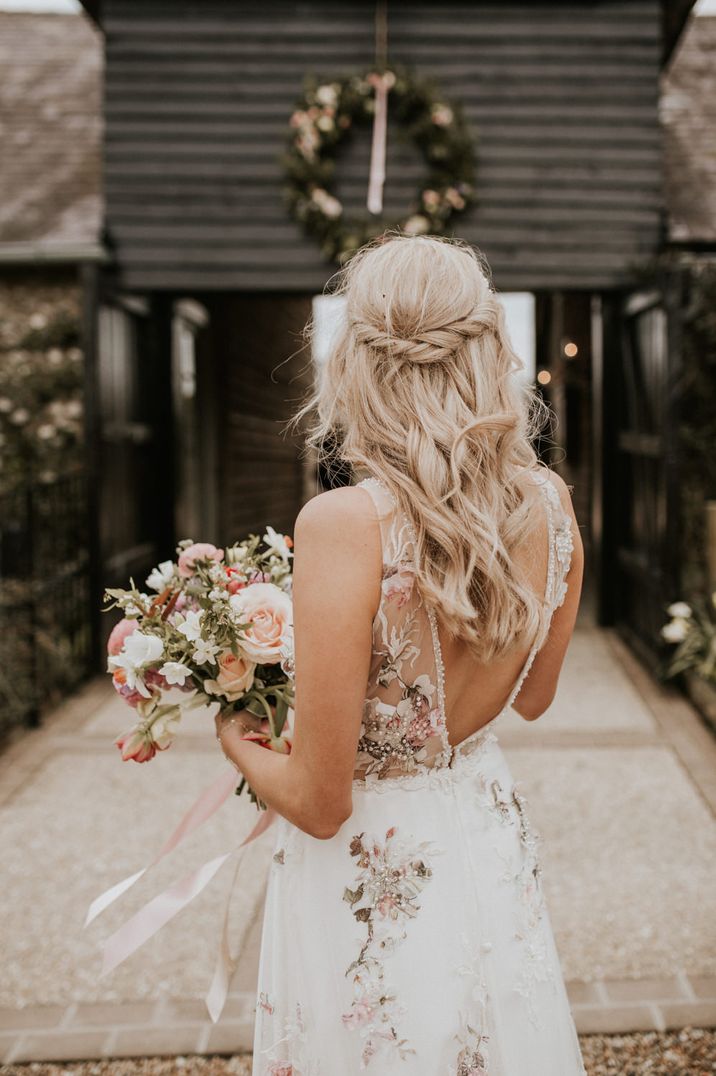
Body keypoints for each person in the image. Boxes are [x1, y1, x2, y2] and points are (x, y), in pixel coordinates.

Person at [215, 233, 586, 1075]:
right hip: (484, 833)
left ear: (359, 361)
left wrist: (235, 733)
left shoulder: (345, 524)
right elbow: (533, 699)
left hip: (367, 869)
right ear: (491, 350)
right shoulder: (553, 506)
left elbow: (319, 801)